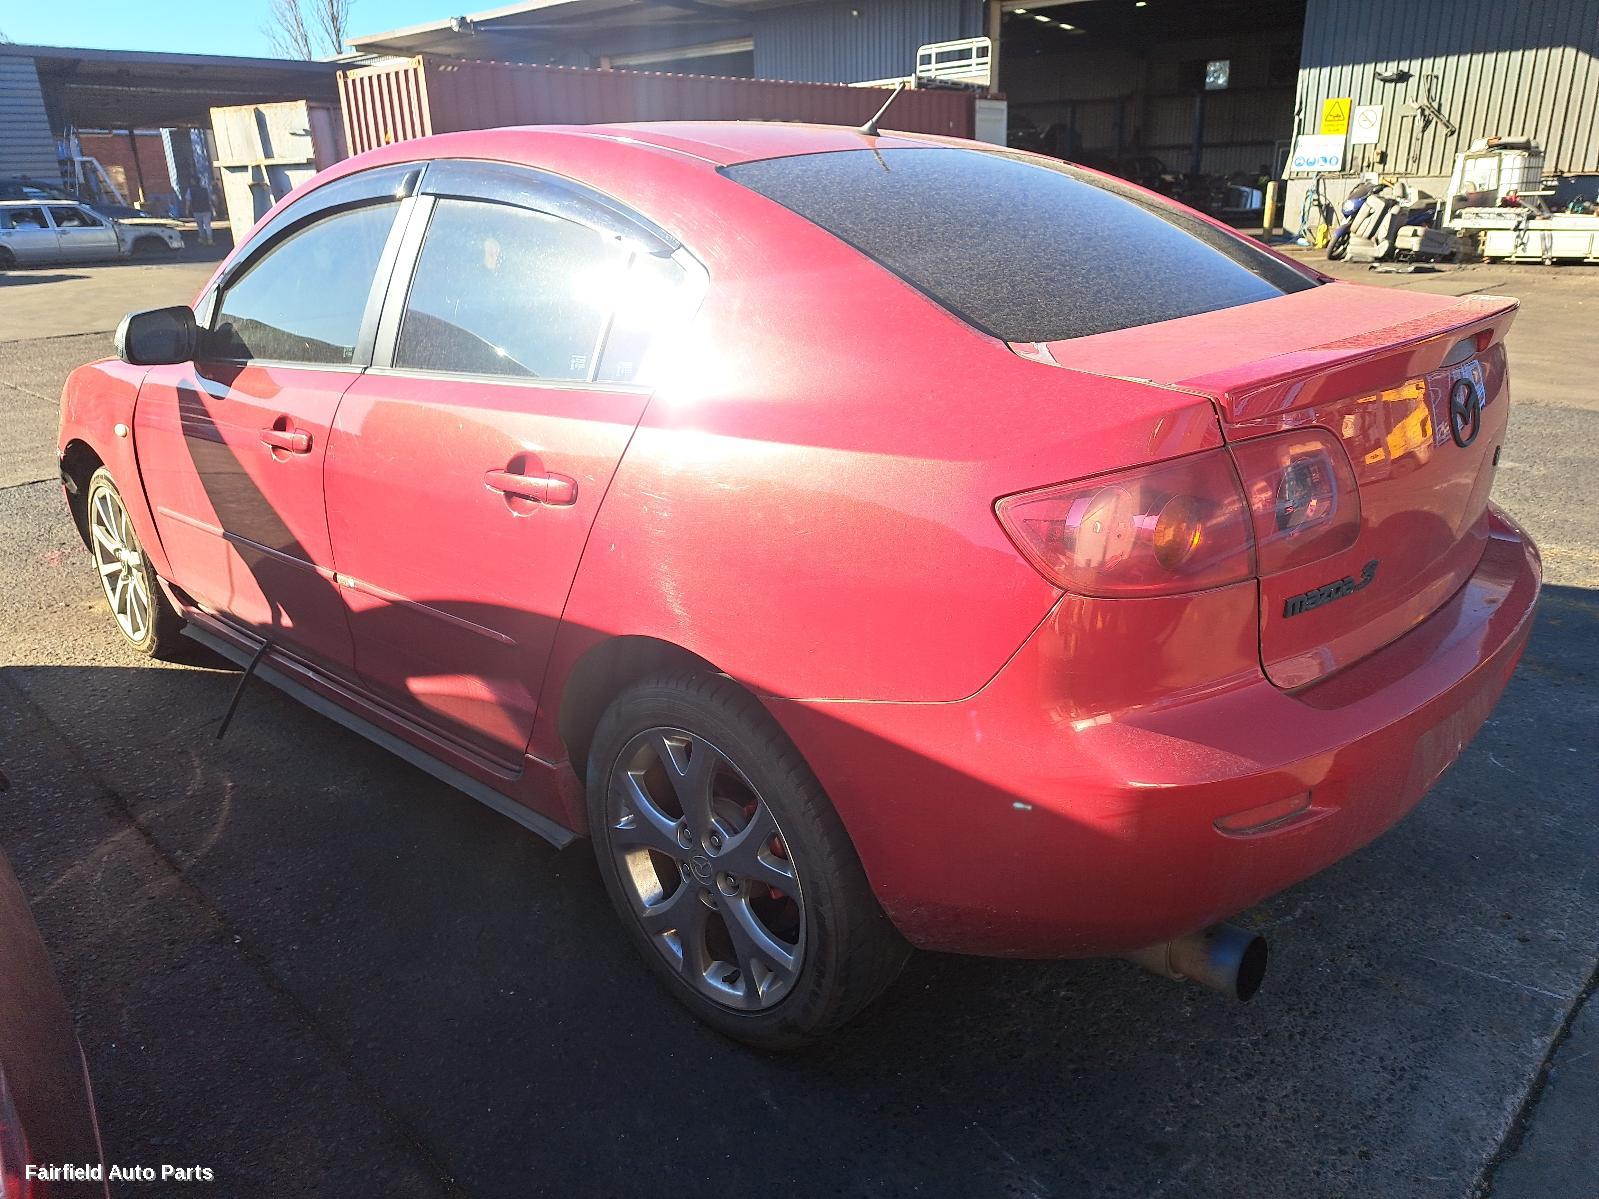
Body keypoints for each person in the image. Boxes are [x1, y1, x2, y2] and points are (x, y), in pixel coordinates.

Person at [186, 178, 215, 246]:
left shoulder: (190, 190)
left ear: (193, 182)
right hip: (206, 210)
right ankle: (210, 240)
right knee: (208, 226)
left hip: (197, 211)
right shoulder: (205, 189)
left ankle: (203, 239)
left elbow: (188, 201)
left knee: (200, 226)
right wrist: (213, 209)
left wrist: (187, 210)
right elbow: (210, 200)